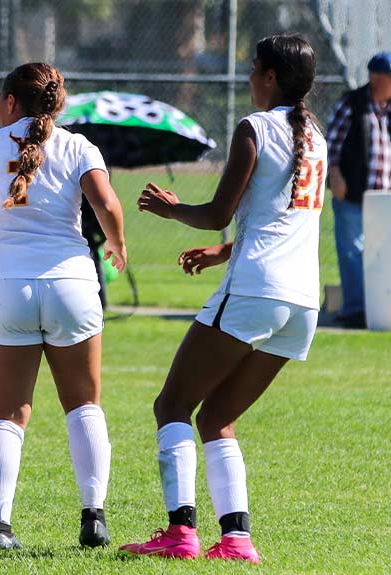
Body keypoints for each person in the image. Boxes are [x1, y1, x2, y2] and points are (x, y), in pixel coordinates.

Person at [120, 34, 325, 562]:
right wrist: (223, 252)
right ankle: (236, 540)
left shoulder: (254, 127)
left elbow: (216, 211)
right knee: (216, 420)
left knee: (172, 405)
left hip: (256, 289)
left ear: (271, 77)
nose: (250, 77)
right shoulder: (315, 137)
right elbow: (286, 223)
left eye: (254, 68)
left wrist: (170, 208)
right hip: (301, 301)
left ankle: (179, 533)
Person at [0, 62, 127, 550]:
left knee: (7, 414)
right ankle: (94, 517)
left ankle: (0, 527)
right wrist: (117, 245)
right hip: (70, 282)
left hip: (6, 285)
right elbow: (107, 206)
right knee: (84, 405)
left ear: (10, 102)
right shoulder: (77, 145)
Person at [325, 51, 391, 328]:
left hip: (384, 198)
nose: (376, 81)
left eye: (383, 76)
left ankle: (380, 309)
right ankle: (355, 311)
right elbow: (330, 142)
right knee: (352, 251)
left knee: (382, 254)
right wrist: (334, 175)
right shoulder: (352, 103)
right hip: (352, 193)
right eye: (373, 75)